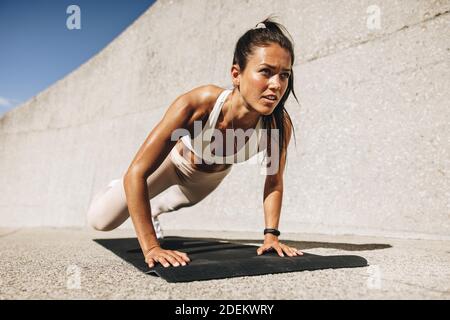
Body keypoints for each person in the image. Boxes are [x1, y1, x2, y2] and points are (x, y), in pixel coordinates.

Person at [87, 17, 304, 269]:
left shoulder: (276, 124)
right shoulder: (198, 105)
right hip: (173, 165)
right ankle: (117, 188)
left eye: (284, 75)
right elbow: (137, 172)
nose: (276, 85)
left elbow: (274, 181)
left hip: (207, 179)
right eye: (265, 71)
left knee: (169, 204)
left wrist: (271, 236)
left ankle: (152, 209)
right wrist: (151, 246)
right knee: (101, 220)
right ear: (236, 74)